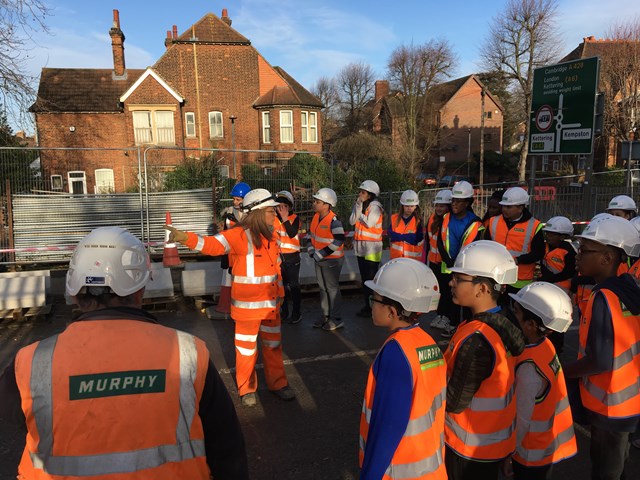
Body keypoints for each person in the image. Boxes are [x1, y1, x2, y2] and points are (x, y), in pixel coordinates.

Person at [0, 227, 248, 479]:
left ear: (74, 293)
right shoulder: (190, 354)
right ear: (140, 291)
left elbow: (24, 418)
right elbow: (228, 451)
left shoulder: (30, 363)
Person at [167, 188, 295, 407]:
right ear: (257, 212)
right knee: (246, 350)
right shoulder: (236, 235)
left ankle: (278, 384)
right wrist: (184, 237)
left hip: (271, 308)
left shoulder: (272, 235)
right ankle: (247, 389)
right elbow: (211, 245)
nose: (275, 213)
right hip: (247, 311)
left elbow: (277, 270)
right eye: (270, 210)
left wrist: (281, 295)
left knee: (274, 346)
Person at [564, 214, 640, 480]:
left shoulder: (604, 297)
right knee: (617, 465)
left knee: (606, 470)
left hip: (609, 405)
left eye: (584, 250)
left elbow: (601, 360)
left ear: (607, 258)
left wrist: (564, 372)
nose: (578, 255)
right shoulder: (628, 288)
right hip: (627, 402)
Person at [444, 240, 526, 480]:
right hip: (495, 442)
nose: (451, 283)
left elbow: (454, 402)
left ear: (482, 288)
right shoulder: (505, 320)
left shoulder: (477, 340)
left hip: (467, 449)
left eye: (459, 279)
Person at [359, 258, 446, 479]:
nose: (371, 306)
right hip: (431, 468)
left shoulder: (396, 353)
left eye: (374, 300)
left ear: (392, 311)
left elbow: (387, 429)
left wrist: (369, 475)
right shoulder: (427, 342)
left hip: (400, 471)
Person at [508, 282, 577, 480]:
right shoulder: (545, 345)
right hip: (547, 446)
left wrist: (509, 452)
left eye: (516, 312)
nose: (512, 316)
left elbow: (522, 418)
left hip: (529, 453)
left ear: (530, 325)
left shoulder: (529, 368)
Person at [437, 180, 484, 337]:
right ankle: (454, 324)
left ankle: (469, 326)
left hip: (466, 268)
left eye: (459, 201)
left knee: (467, 298)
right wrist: (448, 260)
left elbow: (474, 247)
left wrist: (457, 264)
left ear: (468, 202)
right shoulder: (446, 218)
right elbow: (440, 240)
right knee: (453, 297)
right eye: (453, 200)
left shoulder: (475, 222)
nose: (454, 203)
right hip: (449, 265)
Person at [486, 186, 545, 295]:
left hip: (520, 279)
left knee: (517, 311)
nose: (504, 209)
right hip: (496, 275)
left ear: (521, 208)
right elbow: (486, 246)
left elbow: (539, 253)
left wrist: (518, 260)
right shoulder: (493, 221)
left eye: (509, 207)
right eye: (503, 206)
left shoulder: (534, 226)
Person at [308, 187, 346, 331]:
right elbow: (310, 236)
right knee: (323, 288)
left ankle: (336, 319)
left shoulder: (333, 220)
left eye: (317, 201)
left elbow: (339, 240)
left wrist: (321, 253)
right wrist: (311, 250)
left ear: (326, 204)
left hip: (332, 261)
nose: (314, 203)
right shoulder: (316, 217)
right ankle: (325, 316)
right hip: (320, 259)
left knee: (332, 289)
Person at [539, 216, 576, 354]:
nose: (548, 236)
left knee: (557, 320)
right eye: (547, 233)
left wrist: (551, 278)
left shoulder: (568, 251)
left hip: (561, 290)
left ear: (562, 236)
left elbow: (569, 272)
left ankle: (556, 349)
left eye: (551, 234)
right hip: (549, 288)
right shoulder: (547, 247)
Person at [350, 180, 384, 318]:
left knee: (370, 281)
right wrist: (358, 206)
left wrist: (360, 213)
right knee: (365, 280)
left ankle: (372, 308)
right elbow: (352, 221)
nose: (360, 194)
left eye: (363, 192)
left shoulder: (375, 207)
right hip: (361, 248)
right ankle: (367, 306)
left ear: (370, 195)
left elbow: (369, 223)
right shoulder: (360, 205)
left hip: (372, 249)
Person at [216, 181, 251, 318]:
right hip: (233, 259)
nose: (235, 202)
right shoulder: (229, 215)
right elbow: (225, 237)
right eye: (234, 199)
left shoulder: (253, 216)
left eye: (238, 199)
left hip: (246, 258)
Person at [427, 189, 453, 330]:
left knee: (447, 292)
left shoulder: (450, 221)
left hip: (445, 263)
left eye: (442, 206)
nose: (438, 208)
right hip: (434, 261)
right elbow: (428, 241)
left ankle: (446, 317)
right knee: (439, 292)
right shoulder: (432, 219)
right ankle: (440, 314)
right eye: (437, 205)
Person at [275, 190, 302, 324]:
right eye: (279, 206)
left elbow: (292, 233)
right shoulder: (274, 220)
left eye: (284, 206)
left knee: (294, 286)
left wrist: (285, 218)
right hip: (279, 258)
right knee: (282, 287)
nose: (281, 209)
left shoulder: (295, 218)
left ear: (290, 207)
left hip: (292, 258)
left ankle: (296, 312)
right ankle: (284, 312)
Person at [388, 189, 424, 260]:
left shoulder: (418, 221)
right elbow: (390, 234)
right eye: (407, 206)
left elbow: (417, 238)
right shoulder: (394, 218)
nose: (409, 208)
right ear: (402, 206)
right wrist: (407, 237)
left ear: (415, 206)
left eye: (411, 206)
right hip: (396, 257)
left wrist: (399, 237)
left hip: (412, 259)